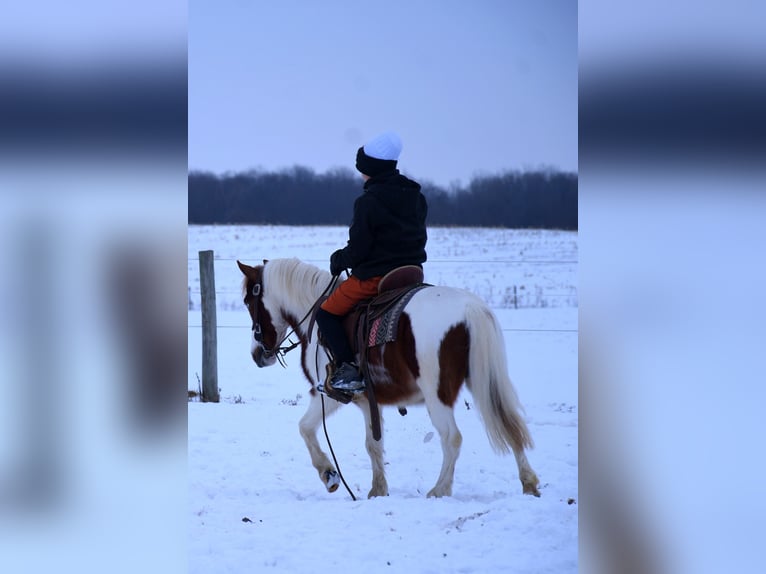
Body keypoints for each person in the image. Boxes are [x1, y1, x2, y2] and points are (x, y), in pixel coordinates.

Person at [315, 131, 428, 393]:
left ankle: (347, 370)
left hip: (376, 277)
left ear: (370, 169)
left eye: (362, 168)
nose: (361, 174)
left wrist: (338, 260)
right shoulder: (417, 197)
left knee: (326, 313)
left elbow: (359, 251)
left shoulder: (368, 201)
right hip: (412, 274)